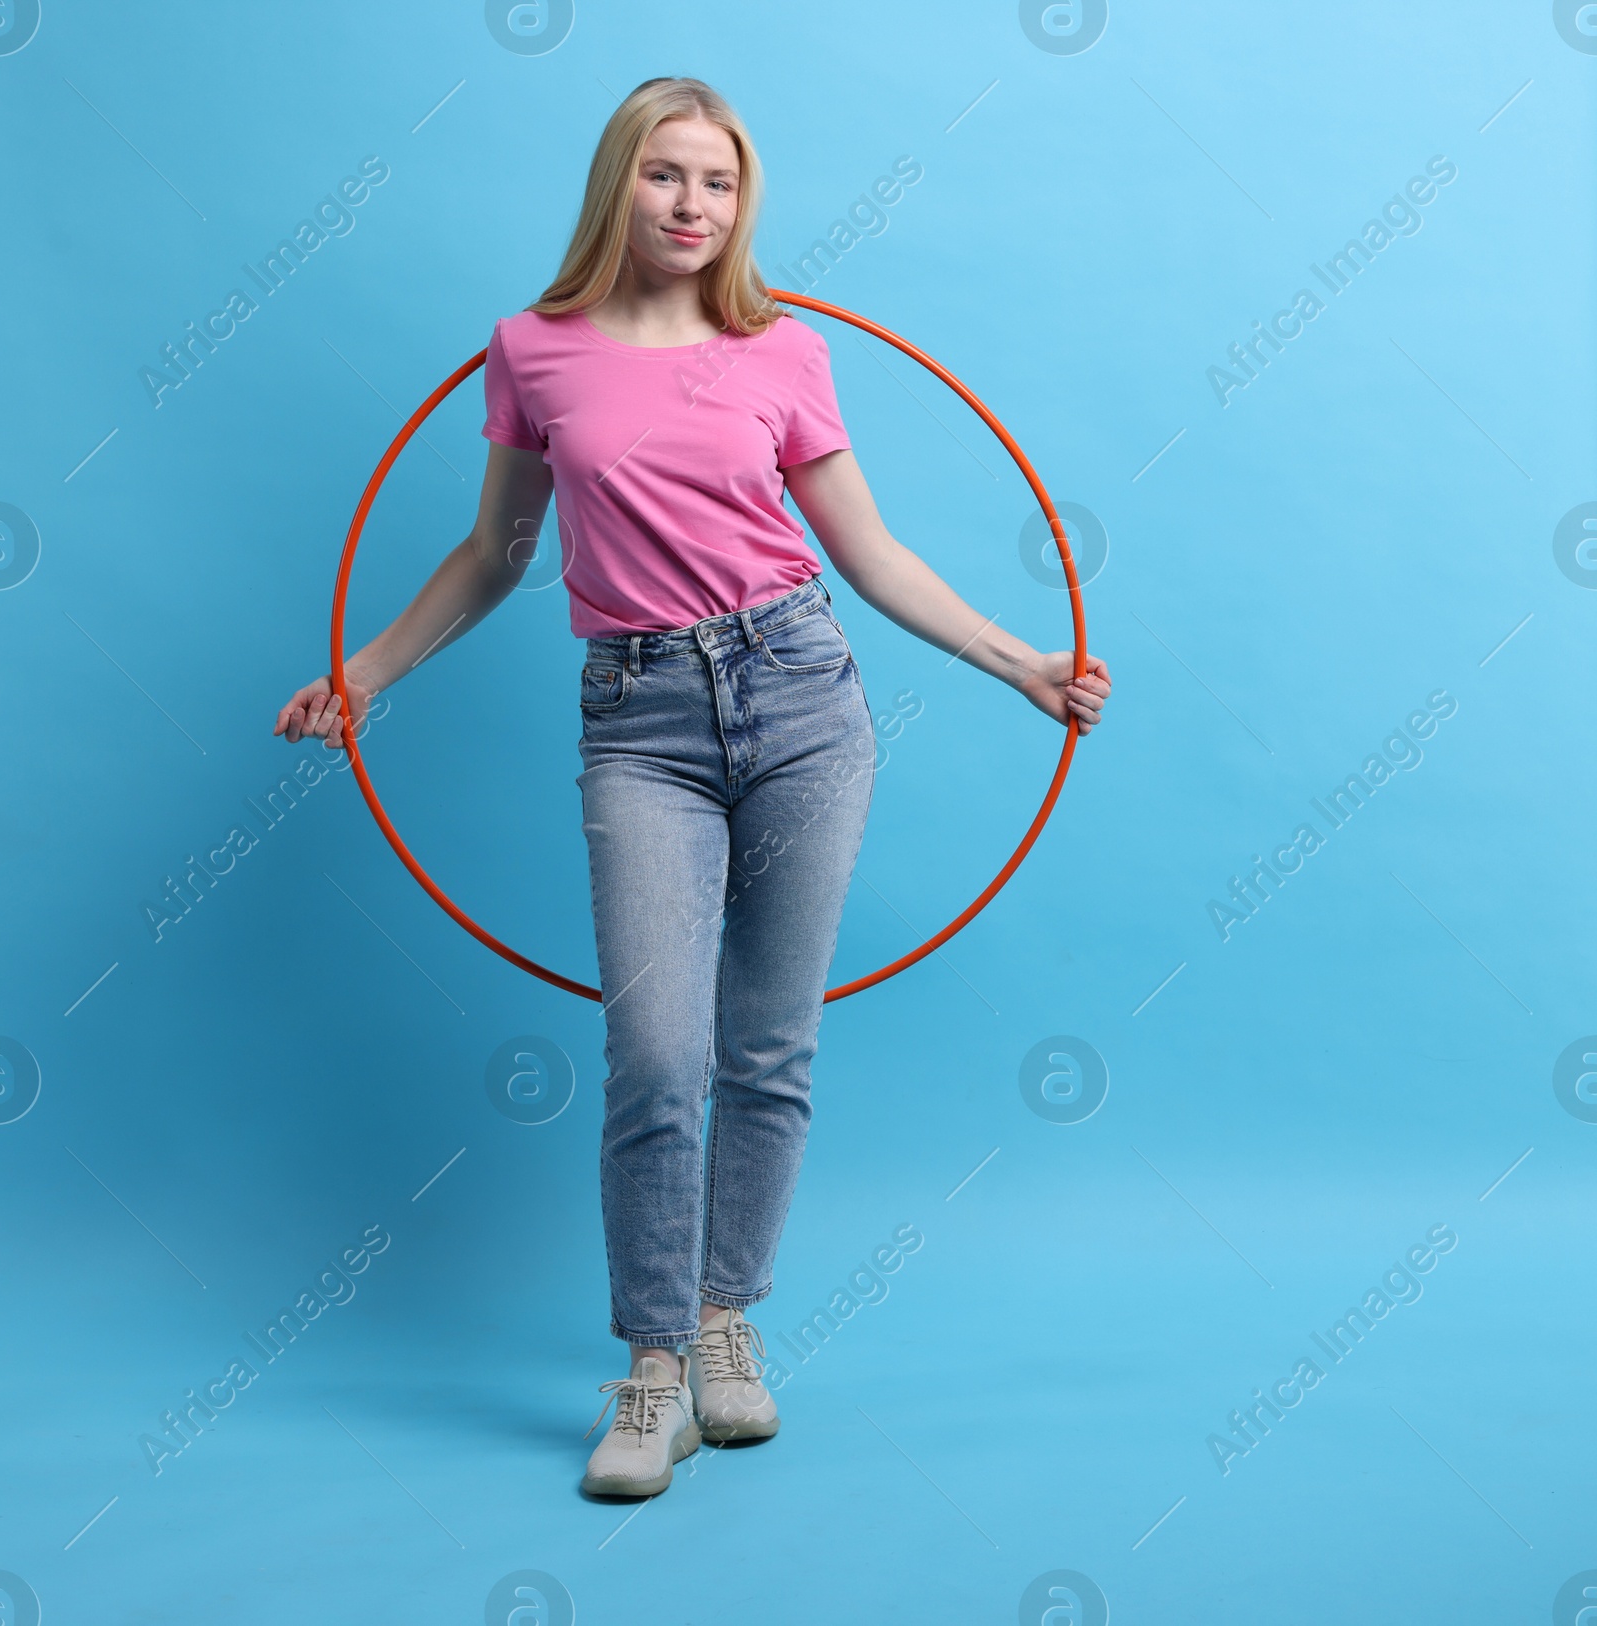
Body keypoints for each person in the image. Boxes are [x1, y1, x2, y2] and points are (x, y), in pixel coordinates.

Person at [274, 75, 1111, 1499]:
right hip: (639, 716)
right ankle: (652, 1365)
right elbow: (494, 557)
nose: (691, 204)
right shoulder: (532, 351)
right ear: (620, 186)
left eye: (717, 184)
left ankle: (730, 1326)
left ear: (742, 203)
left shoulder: (781, 351)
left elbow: (871, 552)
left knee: (768, 1048)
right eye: (666, 176)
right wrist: (366, 670)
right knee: (657, 1053)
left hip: (800, 696)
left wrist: (1019, 662)